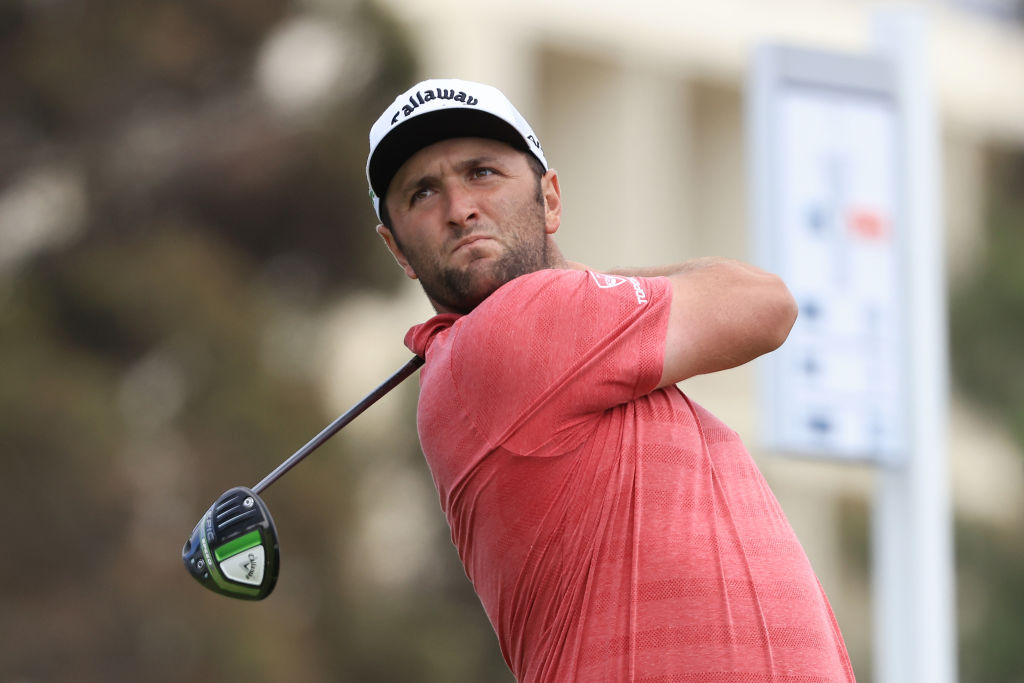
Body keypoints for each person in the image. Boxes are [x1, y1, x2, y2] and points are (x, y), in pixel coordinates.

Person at [366, 78, 856, 682]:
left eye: (482, 173)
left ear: (549, 198)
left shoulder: (555, 340)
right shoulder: (511, 334)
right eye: (422, 193)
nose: (460, 209)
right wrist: (569, 274)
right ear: (399, 249)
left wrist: (579, 283)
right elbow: (765, 303)